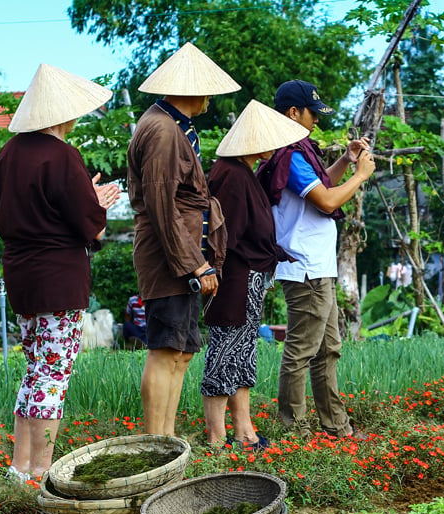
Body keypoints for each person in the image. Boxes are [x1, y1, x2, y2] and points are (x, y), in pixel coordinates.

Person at [0, 64, 117, 480]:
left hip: (22, 276)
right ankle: (41, 470)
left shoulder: (8, 154)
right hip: (59, 278)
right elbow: (89, 223)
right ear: (64, 113)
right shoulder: (63, 155)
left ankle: (20, 467)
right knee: (53, 374)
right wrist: (98, 202)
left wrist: (86, 198)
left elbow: (18, 209)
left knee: (36, 370)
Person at [127, 42, 239, 436]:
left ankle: (167, 438)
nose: (210, 97)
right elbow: (161, 204)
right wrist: (196, 262)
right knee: (165, 350)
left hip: (184, 253)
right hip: (169, 257)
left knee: (181, 352)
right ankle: (155, 441)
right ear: (191, 90)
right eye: (206, 89)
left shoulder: (175, 125)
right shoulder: (160, 129)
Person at [259, 80, 376, 440]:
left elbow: (322, 185)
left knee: (328, 349)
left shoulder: (297, 153)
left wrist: (346, 160)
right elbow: (326, 201)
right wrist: (360, 175)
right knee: (302, 350)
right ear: (293, 113)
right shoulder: (290, 156)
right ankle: (293, 430)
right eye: (312, 114)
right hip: (304, 266)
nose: (316, 122)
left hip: (316, 266)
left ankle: (335, 425)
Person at [201, 99, 309, 450]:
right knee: (225, 351)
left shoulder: (242, 171)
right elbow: (225, 237)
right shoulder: (231, 175)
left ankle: (244, 430)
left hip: (248, 276)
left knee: (243, 352)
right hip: (235, 278)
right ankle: (217, 436)